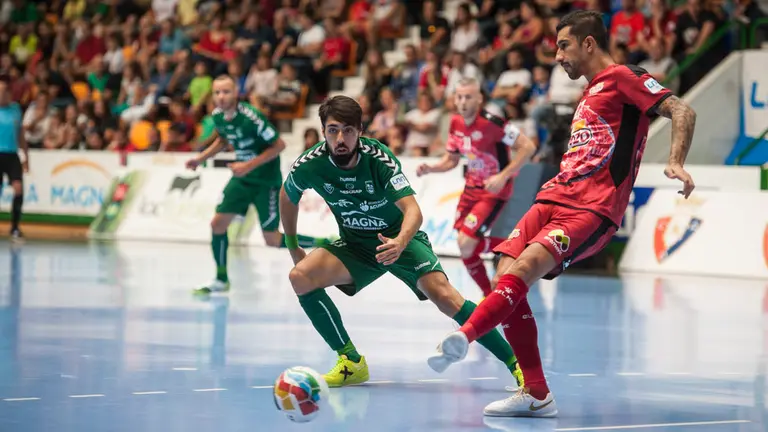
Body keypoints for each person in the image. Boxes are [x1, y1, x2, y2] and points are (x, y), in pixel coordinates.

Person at [428, 10, 697, 418]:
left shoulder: (625, 77)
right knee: (504, 268)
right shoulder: (588, 92)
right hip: (553, 194)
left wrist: (676, 161)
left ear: (589, 44)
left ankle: (463, 337)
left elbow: (682, 111)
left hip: (594, 207)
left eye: (564, 46)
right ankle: (536, 392)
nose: (557, 56)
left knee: (526, 267)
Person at [280, 95, 524, 389]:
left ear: (361, 130)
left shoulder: (379, 158)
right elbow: (287, 194)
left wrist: (399, 242)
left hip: (400, 238)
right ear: (323, 132)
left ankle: (517, 364)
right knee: (300, 277)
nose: (340, 138)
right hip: (356, 246)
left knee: (445, 296)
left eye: (348, 130)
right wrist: (293, 244)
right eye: (333, 130)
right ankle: (350, 361)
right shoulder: (310, 163)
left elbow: (412, 211)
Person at [185, 75, 330, 295]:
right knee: (217, 225)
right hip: (242, 180)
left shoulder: (252, 117)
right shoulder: (218, 117)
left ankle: (322, 242)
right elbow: (223, 140)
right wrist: (200, 158)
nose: (221, 97)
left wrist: (248, 165)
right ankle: (221, 279)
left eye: (226, 92)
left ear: (236, 93)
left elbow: (279, 145)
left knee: (272, 239)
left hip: (265, 181)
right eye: (217, 92)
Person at [416, 77, 538, 297]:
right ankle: (490, 290)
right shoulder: (455, 122)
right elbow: (451, 160)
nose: (463, 102)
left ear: (479, 99)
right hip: (470, 189)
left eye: (468, 97)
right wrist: (431, 168)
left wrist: (503, 176)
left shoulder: (493, 123)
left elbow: (527, 147)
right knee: (464, 247)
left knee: (466, 242)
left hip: (493, 191)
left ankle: (515, 250)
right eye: (459, 96)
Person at [0, 78, 28, 243]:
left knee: (18, 189)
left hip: (11, 155)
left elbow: (21, 136)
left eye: (4, 91)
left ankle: (15, 227)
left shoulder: (15, 110)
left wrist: (25, 156)